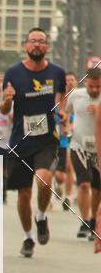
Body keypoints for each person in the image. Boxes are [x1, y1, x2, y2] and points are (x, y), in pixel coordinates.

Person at [1, 28, 66, 258]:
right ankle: (28, 237)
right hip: (20, 140)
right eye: (33, 41)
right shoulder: (12, 72)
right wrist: (7, 101)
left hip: (47, 139)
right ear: (25, 46)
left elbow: (61, 100)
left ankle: (41, 216)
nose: (37, 45)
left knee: (44, 180)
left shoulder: (57, 72)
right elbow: (4, 108)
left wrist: (63, 114)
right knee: (23, 193)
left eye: (41, 41)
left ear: (46, 47)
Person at [68, 68, 101, 239]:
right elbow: (63, 111)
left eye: (98, 87)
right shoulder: (76, 95)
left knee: (97, 189)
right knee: (84, 184)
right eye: (92, 86)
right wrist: (65, 126)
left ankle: (95, 221)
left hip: (98, 149)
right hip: (78, 145)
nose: (95, 90)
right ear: (86, 82)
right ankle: (85, 220)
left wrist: (99, 112)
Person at [55, 71, 77, 210]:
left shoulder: (78, 98)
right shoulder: (57, 99)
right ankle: (57, 184)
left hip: (73, 137)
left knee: (70, 167)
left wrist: (71, 126)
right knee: (59, 175)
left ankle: (68, 197)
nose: (69, 82)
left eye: (72, 80)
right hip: (57, 138)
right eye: (66, 80)